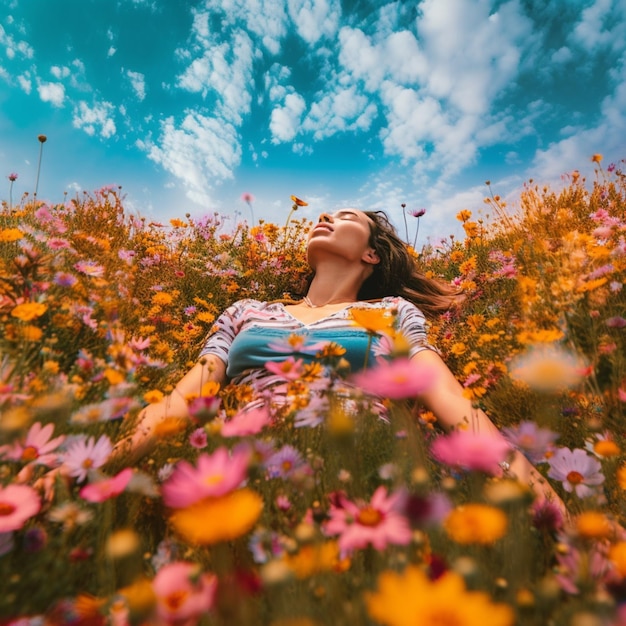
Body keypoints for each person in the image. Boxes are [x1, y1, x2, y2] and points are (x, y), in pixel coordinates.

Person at [112, 208, 562, 508]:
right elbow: (177, 404)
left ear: (371, 253)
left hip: (363, 488)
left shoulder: (391, 312)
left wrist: (544, 498)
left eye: (345, 216)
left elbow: (455, 408)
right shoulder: (245, 312)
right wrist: (99, 468)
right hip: (243, 483)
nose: (324, 216)